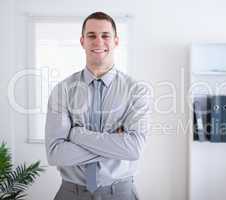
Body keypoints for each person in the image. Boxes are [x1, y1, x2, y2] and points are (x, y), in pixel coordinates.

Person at [45, 11, 150, 200]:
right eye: (91, 35)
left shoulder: (137, 90)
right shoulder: (62, 90)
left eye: (105, 35)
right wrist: (113, 143)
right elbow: (55, 154)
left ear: (116, 41)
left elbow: (133, 149)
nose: (98, 41)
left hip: (120, 193)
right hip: (71, 193)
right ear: (82, 41)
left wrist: (76, 134)